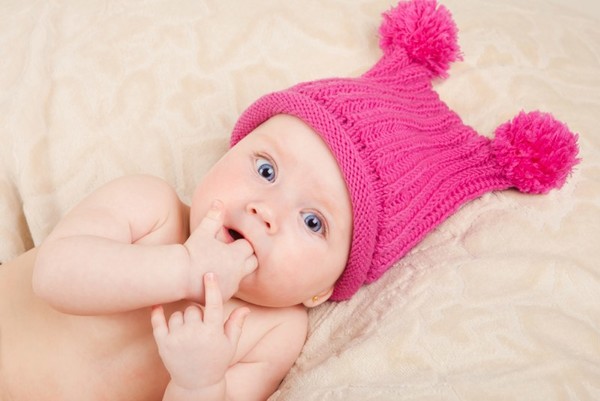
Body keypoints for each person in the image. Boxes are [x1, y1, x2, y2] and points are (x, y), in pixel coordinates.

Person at [0, 0, 579, 400]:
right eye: (266, 167)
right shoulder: (149, 209)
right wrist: (183, 268)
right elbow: (53, 275)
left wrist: (198, 381)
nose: (265, 209)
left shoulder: (273, 332)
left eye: (312, 220)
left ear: (324, 288)